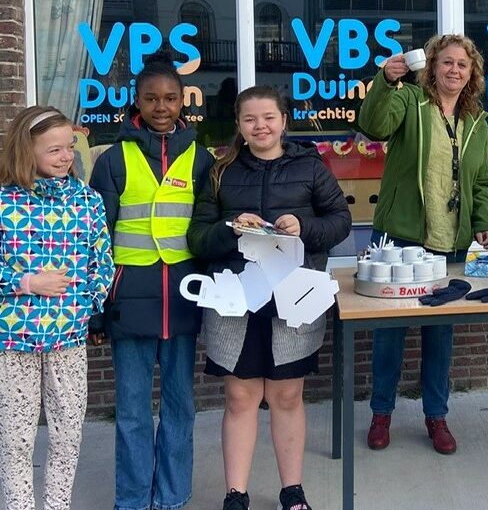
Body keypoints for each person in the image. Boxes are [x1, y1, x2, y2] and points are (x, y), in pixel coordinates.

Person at [186, 86, 351, 510]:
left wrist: (305, 227)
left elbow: (340, 222)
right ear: (239, 126)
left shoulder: (310, 167)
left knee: (287, 396)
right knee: (240, 397)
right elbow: (198, 238)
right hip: (236, 299)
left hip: (294, 298)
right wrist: (229, 227)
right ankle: (235, 495)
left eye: (268, 118)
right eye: (250, 120)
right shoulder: (221, 171)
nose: (260, 127)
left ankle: (292, 491)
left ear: (283, 119)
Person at [357, 34, 488, 455]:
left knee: (440, 335)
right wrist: (384, 79)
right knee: (390, 333)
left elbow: (481, 181)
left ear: (472, 74)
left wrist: (482, 223)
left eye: (462, 65)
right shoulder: (409, 100)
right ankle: (382, 414)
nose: (454, 70)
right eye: (447, 62)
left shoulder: (476, 120)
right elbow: (374, 125)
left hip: (448, 244)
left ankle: (436, 416)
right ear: (431, 66)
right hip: (401, 237)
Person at [89, 54, 216, 510]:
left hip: (182, 300)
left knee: (181, 409)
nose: (161, 106)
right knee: (132, 414)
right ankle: (132, 501)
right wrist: (96, 310)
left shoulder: (202, 160)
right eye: (151, 98)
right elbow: (94, 240)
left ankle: (173, 498)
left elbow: (206, 230)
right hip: (129, 302)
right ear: (135, 102)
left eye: (170, 98)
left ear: (183, 101)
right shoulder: (112, 160)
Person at [0, 106, 115, 510]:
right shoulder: (4, 201)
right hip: (12, 339)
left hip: (68, 337)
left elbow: (103, 261)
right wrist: (26, 283)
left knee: (68, 433)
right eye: (54, 150)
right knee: (15, 438)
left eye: (69, 147)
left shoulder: (87, 200)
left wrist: (83, 305)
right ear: (25, 150)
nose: (66, 157)